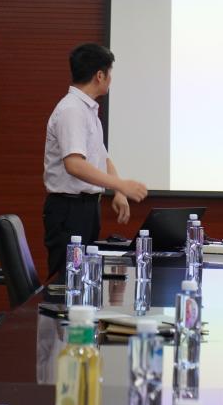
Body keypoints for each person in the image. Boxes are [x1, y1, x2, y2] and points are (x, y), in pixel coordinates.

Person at [43, 43, 148, 277]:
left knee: (84, 279)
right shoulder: (72, 110)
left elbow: (103, 158)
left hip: (86, 208)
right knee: (68, 282)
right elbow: (74, 164)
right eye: (110, 73)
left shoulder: (88, 110)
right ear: (100, 75)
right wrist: (120, 184)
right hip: (69, 210)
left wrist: (118, 191)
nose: (111, 79)